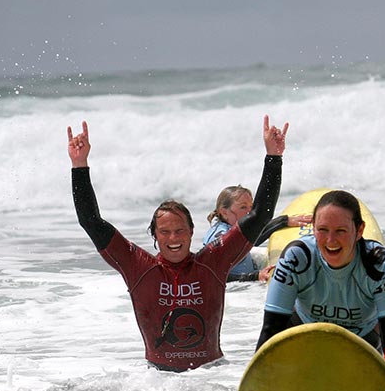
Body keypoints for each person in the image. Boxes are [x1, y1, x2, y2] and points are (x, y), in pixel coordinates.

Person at [68, 115, 289, 371]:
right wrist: (79, 165)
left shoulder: (213, 261)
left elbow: (260, 214)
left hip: (212, 375)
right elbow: (91, 221)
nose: (173, 238)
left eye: (180, 231)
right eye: (165, 232)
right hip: (157, 381)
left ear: (192, 232)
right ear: (155, 236)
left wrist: (274, 157)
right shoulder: (137, 266)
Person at [256, 190, 385, 384]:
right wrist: (257, 389)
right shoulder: (297, 258)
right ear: (313, 228)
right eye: (323, 230)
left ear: (359, 230)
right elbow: (271, 330)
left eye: (341, 231)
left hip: (362, 338)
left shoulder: (378, 264)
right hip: (302, 330)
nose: (331, 241)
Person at [203, 185, 311, 282]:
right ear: (224, 212)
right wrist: (254, 276)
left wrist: (283, 221)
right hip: (234, 291)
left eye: (251, 207)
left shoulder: (231, 229)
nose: (250, 212)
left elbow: (251, 238)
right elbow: (212, 275)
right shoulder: (220, 238)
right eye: (243, 207)